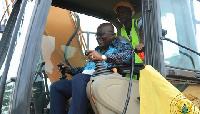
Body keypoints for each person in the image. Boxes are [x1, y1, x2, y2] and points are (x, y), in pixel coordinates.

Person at [50, 23, 134, 114]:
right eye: (97, 35)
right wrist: (70, 70)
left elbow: (128, 57)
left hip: (102, 79)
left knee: (79, 78)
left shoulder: (120, 46)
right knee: (56, 86)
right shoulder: (97, 50)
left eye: (102, 34)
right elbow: (88, 70)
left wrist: (102, 57)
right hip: (85, 80)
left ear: (112, 35)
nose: (98, 37)